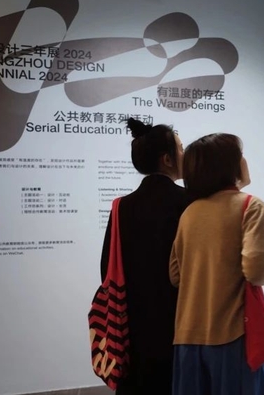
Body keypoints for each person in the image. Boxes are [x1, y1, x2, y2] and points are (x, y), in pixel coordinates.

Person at [169, 133, 264, 395]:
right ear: (229, 165)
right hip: (231, 335)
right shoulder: (251, 206)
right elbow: (256, 269)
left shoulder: (189, 212)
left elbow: (175, 275)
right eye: (240, 156)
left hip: (187, 336)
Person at [100, 118, 190, 395]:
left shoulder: (121, 207)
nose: (184, 154)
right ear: (167, 160)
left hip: (132, 325)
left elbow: (107, 267)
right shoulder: (189, 202)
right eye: (180, 148)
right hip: (179, 321)